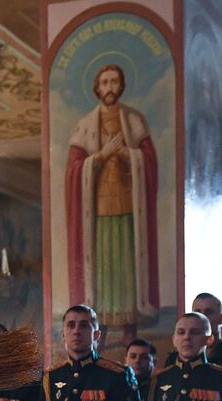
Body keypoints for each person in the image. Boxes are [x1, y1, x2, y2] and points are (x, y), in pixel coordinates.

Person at [65, 64, 159, 342]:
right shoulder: (85, 125)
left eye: (114, 82)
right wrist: (102, 155)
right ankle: (101, 328)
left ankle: (130, 327)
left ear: (121, 86)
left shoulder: (134, 120)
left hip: (130, 208)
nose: (109, 87)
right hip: (98, 211)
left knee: (127, 267)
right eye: (104, 82)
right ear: (97, 87)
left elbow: (150, 160)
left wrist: (130, 155)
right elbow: (73, 169)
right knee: (103, 268)